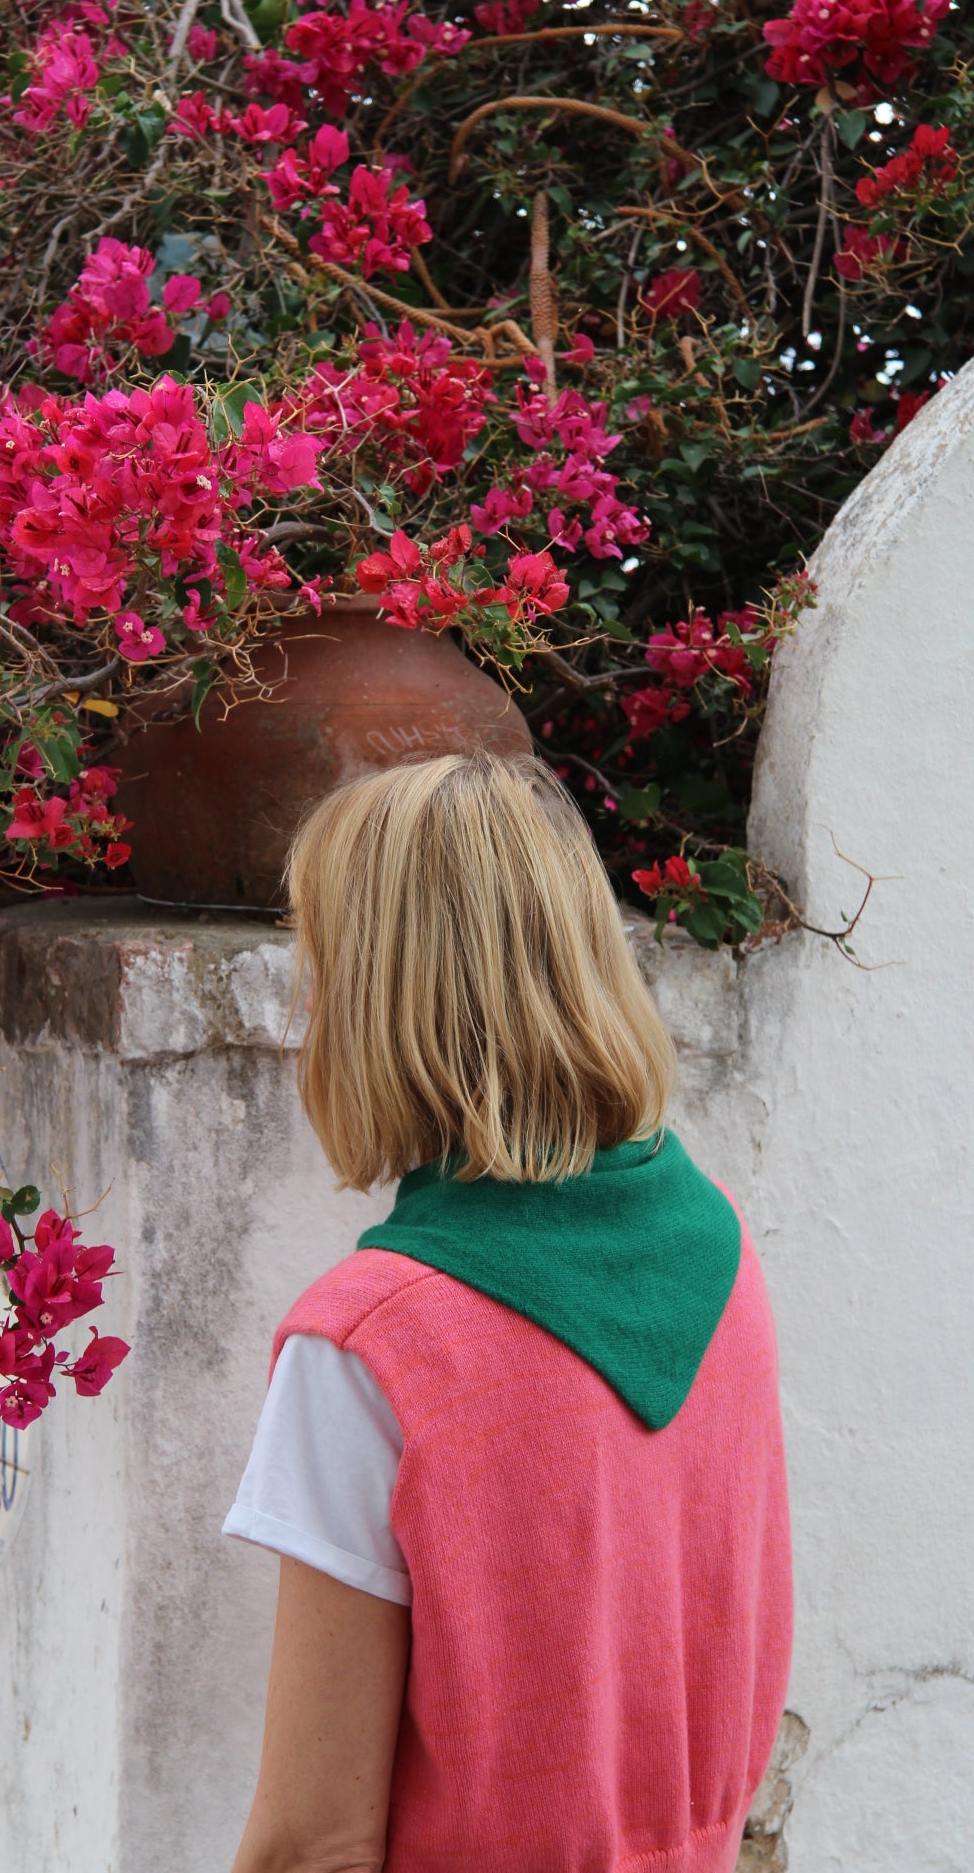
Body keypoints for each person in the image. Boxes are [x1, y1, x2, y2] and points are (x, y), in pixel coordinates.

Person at [223, 751, 792, 1873]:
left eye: (320, 961)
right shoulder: (715, 1245)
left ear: (377, 995)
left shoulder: (369, 1344)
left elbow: (313, 1843)